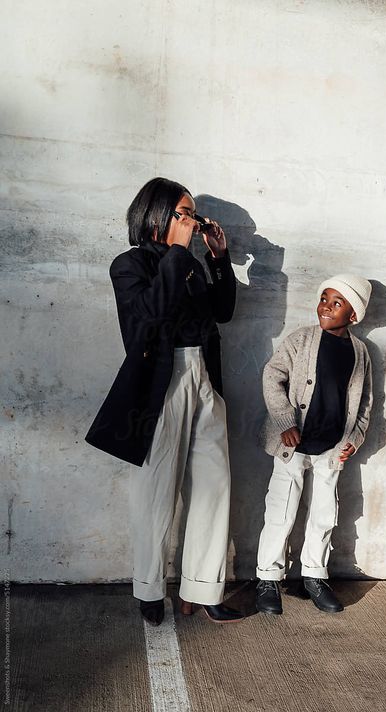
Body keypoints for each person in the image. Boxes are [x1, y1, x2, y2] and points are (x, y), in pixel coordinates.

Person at [85, 177, 243, 625]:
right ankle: (150, 591)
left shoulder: (191, 263)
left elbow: (223, 311)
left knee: (215, 486)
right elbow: (148, 319)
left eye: (194, 215)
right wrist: (177, 252)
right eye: (186, 213)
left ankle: (203, 589)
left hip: (204, 378)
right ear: (157, 214)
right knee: (156, 491)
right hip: (161, 382)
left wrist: (218, 257)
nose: (193, 222)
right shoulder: (129, 265)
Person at [255, 274, 373, 615]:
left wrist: (353, 439)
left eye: (337, 303)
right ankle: (268, 579)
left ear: (353, 315)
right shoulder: (301, 339)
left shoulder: (360, 351)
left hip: (331, 448)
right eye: (324, 299)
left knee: (324, 514)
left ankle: (314, 576)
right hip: (294, 445)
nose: (326, 307)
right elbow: (272, 376)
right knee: (281, 511)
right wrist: (284, 422)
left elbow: (364, 402)